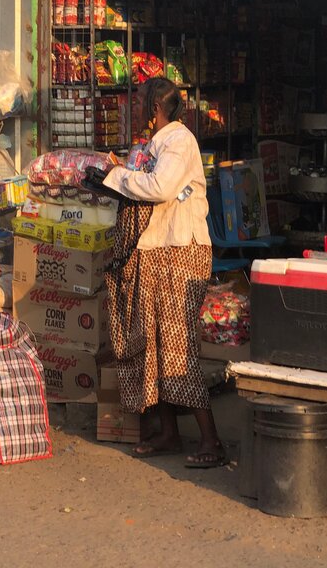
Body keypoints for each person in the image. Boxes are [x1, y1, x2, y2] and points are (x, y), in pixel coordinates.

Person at [100, 77, 224, 468]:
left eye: (139, 103)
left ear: (154, 107)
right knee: (152, 343)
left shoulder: (179, 141)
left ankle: (212, 441)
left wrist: (118, 176)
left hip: (180, 254)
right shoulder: (155, 145)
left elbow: (160, 187)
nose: (135, 110)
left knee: (176, 348)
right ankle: (169, 433)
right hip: (157, 252)